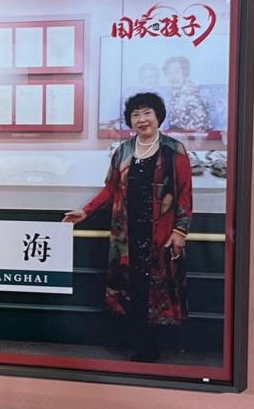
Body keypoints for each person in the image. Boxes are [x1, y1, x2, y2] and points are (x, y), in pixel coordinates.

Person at [63, 92, 192, 361]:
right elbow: (110, 189)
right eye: (136, 114)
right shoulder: (122, 150)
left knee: (157, 286)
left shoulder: (174, 149)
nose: (142, 119)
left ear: (158, 116)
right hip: (127, 232)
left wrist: (180, 231)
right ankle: (138, 342)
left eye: (147, 113)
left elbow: (184, 194)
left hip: (160, 232)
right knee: (131, 285)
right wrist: (85, 211)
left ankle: (151, 344)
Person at [162, 54, 210, 132]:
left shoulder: (193, 96)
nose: (173, 76)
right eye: (169, 73)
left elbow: (201, 127)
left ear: (185, 72)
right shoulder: (169, 94)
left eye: (177, 72)